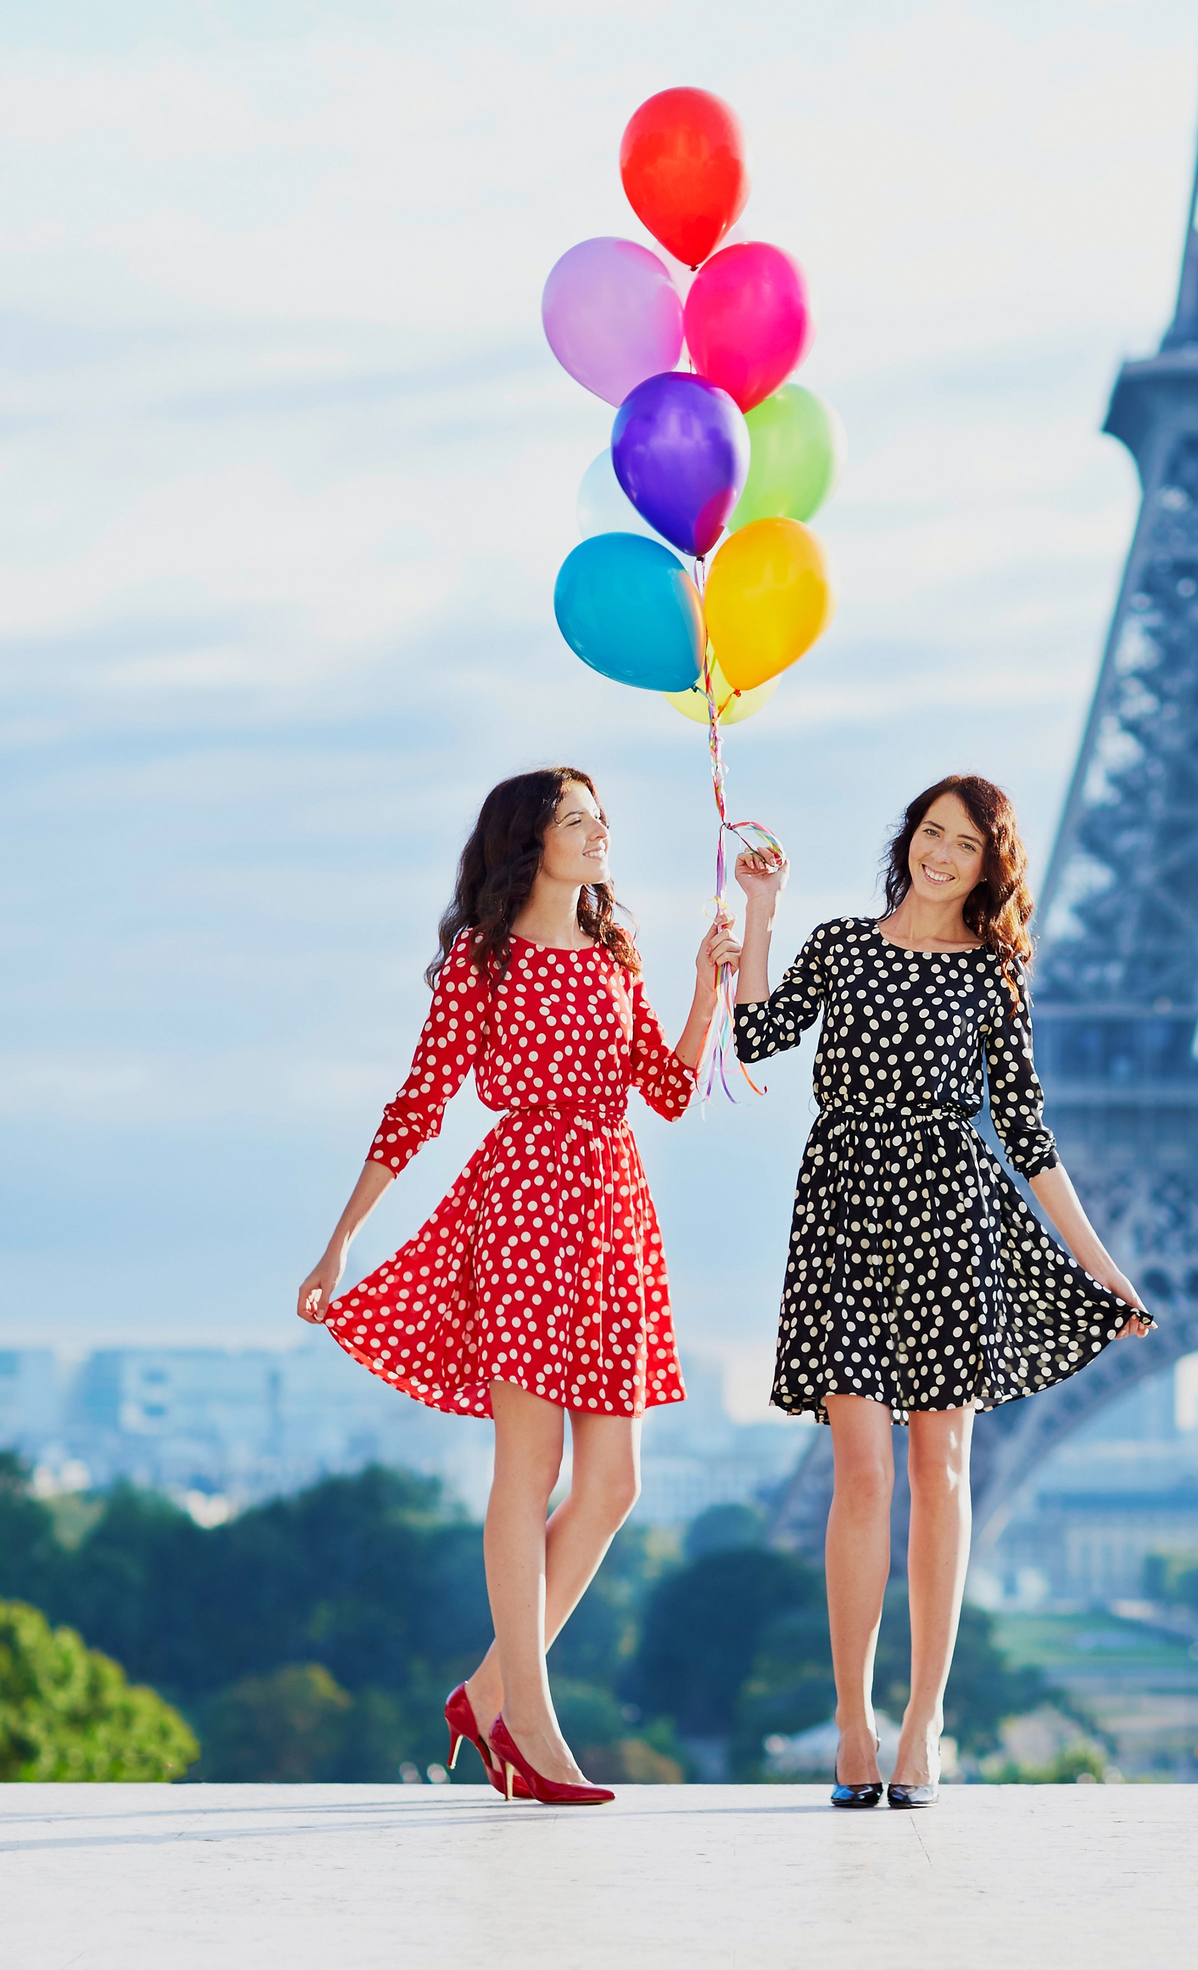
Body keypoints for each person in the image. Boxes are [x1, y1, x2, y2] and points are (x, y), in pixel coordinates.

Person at [295, 766, 735, 1806]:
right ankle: (527, 1722)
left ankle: (489, 1691)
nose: (599, 833)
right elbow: (419, 1102)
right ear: (529, 843)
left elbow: (668, 1094)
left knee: (613, 1484)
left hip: (612, 1214)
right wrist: (342, 1238)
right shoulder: (481, 961)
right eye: (576, 819)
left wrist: (705, 988)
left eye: (600, 818)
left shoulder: (616, 952)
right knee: (526, 1473)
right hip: (526, 1211)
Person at [732, 774, 1153, 1809]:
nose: (941, 854)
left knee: (942, 1465)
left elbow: (1028, 1134)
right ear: (906, 840)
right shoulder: (841, 945)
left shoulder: (991, 976)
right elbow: (754, 1037)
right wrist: (759, 912)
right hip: (844, 1214)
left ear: (987, 868)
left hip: (949, 1220)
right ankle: (852, 1722)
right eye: (931, 832)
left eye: (965, 845)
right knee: (861, 1474)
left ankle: (923, 1723)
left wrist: (1101, 1265)